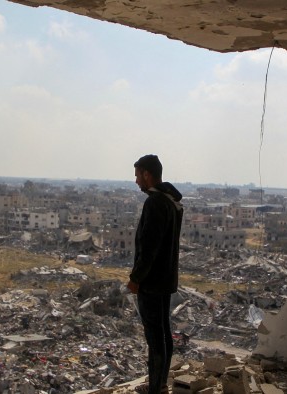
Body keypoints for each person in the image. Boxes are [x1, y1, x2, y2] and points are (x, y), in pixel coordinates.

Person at [127, 154, 183, 394]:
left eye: (138, 175)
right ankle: (160, 383)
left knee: (154, 337)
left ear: (148, 174)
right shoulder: (172, 202)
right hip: (166, 279)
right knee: (164, 332)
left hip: (151, 282)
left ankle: (154, 387)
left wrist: (136, 279)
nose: (137, 181)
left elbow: (149, 247)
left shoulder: (155, 203)